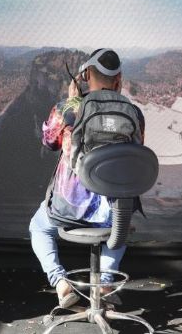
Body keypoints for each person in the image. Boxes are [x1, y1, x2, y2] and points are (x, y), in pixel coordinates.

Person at [29, 48, 145, 308]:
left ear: (85, 75)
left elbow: (48, 141)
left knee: (39, 227)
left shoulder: (68, 109)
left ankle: (60, 282)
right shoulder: (134, 114)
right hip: (114, 211)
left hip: (69, 208)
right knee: (121, 224)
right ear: (119, 79)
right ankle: (105, 282)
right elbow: (135, 154)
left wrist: (71, 102)